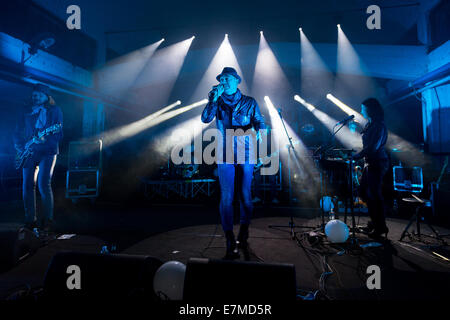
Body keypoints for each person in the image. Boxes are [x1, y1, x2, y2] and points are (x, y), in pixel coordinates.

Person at [201, 67, 265, 259]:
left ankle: (244, 232)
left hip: (246, 150)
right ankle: (229, 236)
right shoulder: (217, 101)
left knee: (245, 194)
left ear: (237, 81)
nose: (224, 81)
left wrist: (260, 132)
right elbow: (205, 119)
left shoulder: (249, 102)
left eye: (228, 78)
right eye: (222, 79)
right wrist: (212, 100)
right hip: (225, 151)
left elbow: (260, 122)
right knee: (227, 195)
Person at [14, 83, 63, 235]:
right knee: (27, 185)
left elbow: (58, 133)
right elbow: (17, 130)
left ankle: (48, 221)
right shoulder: (26, 111)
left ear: (46, 97)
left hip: (48, 151)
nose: (35, 97)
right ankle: (30, 220)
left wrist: (44, 141)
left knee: (44, 184)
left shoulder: (55, 110)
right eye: (34, 94)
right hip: (29, 152)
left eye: (39, 95)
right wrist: (19, 147)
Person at [353, 98, 389, 239]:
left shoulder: (379, 125)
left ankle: (380, 227)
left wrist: (356, 156)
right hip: (370, 162)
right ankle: (376, 222)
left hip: (378, 162)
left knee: (374, 195)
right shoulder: (370, 124)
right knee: (363, 192)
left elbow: (373, 148)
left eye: (363, 108)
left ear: (370, 109)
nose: (361, 111)